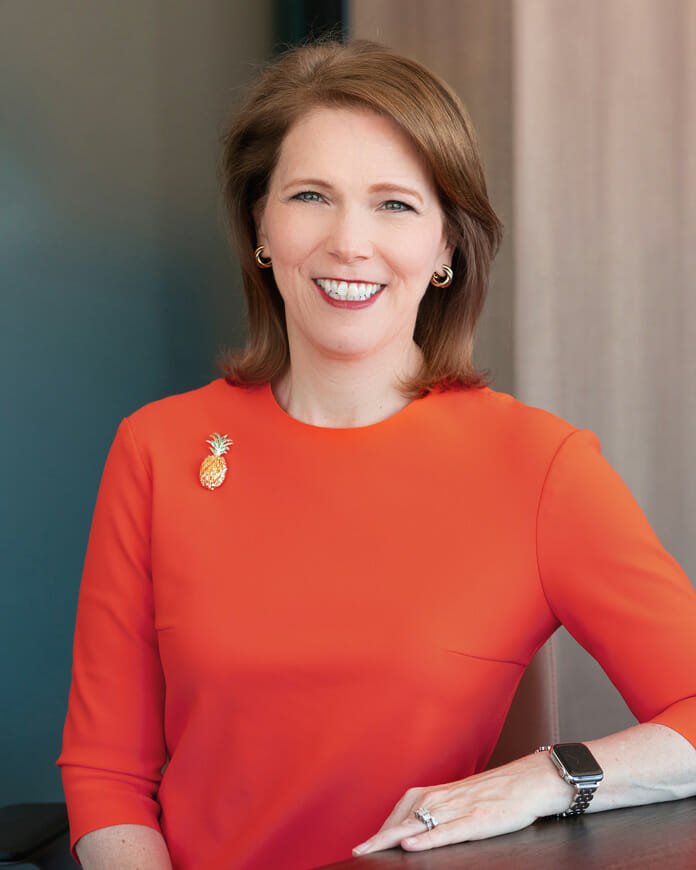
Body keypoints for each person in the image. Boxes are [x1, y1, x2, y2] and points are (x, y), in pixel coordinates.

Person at [58, 38, 696, 870]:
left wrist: (546, 777)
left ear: (447, 247)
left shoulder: (540, 465)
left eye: (394, 204)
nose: (349, 242)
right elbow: (107, 774)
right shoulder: (158, 447)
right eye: (311, 196)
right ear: (260, 224)